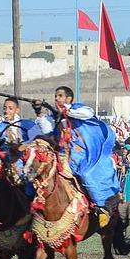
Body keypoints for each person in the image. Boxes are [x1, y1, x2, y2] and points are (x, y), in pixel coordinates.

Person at [32, 86, 122, 225]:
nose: (57, 98)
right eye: (56, 96)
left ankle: (101, 207)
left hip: (80, 156)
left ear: (69, 98)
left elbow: (87, 113)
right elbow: (46, 129)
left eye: (60, 96)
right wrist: (39, 112)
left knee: (86, 175)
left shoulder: (78, 108)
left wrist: (66, 111)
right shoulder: (53, 116)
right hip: (61, 155)